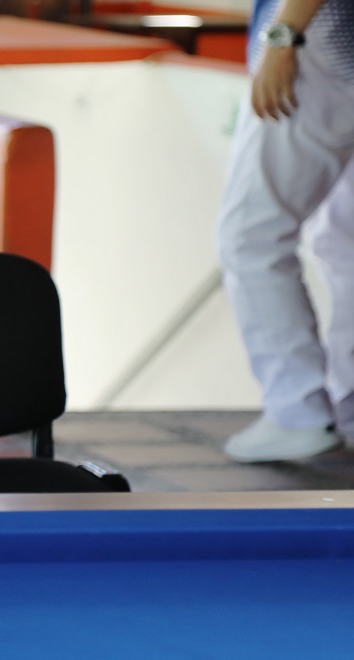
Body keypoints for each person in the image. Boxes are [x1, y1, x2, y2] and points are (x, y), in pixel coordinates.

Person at [217, 0, 354, 462]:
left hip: (321, 35)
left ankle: (296, 410)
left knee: (250, 236)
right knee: (344, 239)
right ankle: (349, 400)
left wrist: (283, 35)